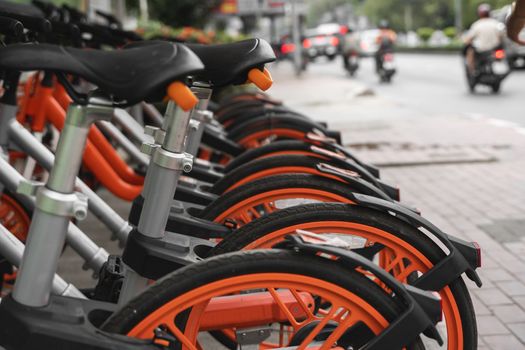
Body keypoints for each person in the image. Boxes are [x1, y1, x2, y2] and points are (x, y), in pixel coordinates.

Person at [464, 4, 505, 74]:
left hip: (481, 50)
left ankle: (472, 70)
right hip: (494, 49)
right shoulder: (496, 23)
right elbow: (502, 36)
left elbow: (468, 39)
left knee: (470, 51)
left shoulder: (477, 25)